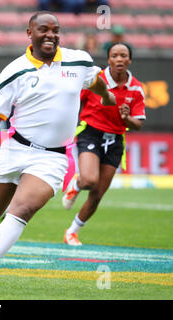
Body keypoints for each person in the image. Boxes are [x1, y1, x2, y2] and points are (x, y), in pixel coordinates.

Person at [0, 12, 116, 295]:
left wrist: (106, 96)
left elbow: (95, 80)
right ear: (29, 33)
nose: (51, 35)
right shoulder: (15, 71)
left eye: (56, 30)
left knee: (22, 210)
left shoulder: (78, 60)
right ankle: (1, 216)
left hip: (52, 157)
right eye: (44, 30)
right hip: (15, 149)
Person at [62, 42, 145, 245]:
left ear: (130, 60)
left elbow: (138, 124)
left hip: (115, 140)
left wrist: (126, 119)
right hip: (91, 133)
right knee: (89, 180)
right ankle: (77, 183)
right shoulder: (96, 80)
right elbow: (74, 101)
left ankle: (71, 232)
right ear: (108, 59)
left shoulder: (136, 88)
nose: (119, 59)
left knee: (97, 193)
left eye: (123, 55)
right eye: (114, 55)